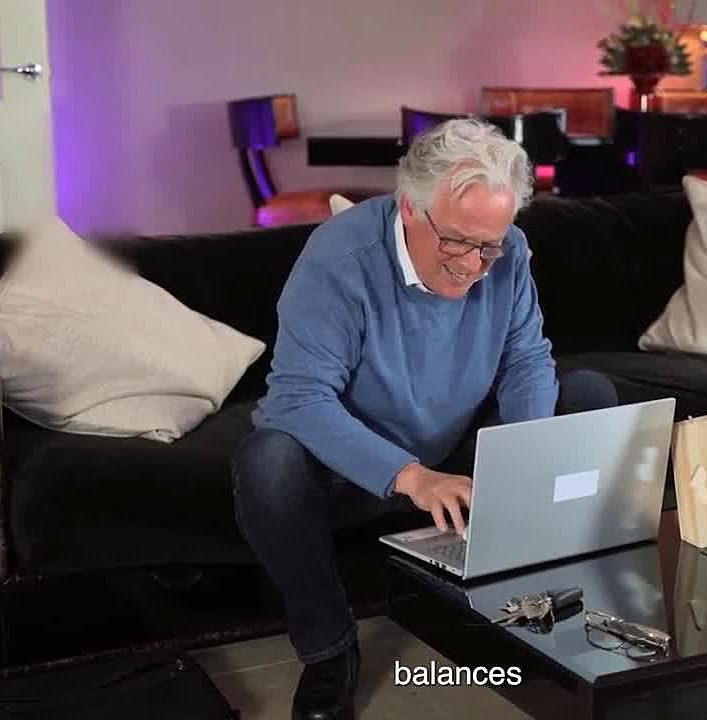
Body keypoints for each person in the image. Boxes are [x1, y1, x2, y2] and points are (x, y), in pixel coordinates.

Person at [230, 118, 618, 720]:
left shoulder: (506, 252)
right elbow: (297, 399)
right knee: (267, 462)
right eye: (458, 242)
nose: (475, 266)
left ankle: (540, 599)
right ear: (410, 207)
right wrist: (412, 477)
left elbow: (526, 360)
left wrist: (528, 457)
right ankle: (329, 650)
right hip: (354, 470)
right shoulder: (341, 259)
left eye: (490, 245)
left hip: (456, 456)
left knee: (588, 395)